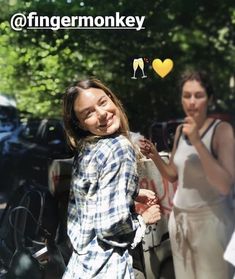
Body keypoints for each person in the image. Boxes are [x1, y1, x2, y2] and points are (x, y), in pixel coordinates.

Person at [139, 70, 235, 279]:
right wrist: (154, 155)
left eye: (198, 95)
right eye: (186, 95)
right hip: (180, 220)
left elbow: (225, 185)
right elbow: (173, 174)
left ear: (209, 98)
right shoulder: (183, 130)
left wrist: (199, 143)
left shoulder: (221, 131)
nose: (191, 102)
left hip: (211, 223)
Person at [62, 78, 161, 279]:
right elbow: (111, 226)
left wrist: (133, 191)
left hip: (79, 268)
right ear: (79, 123)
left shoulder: (87, 149)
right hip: (107, 269)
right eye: (88, 113)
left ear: (112, 99)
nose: (102, 114)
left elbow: (89, 195)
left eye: (102, 102)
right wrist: (143, 220)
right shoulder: (119, 148)